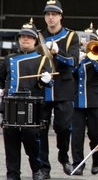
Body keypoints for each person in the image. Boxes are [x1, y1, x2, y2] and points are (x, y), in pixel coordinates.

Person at [0, 18, 54, 180]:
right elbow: (1, 79)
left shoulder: (42, 59)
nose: (25, 39)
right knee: (11, 145)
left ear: (34, 40)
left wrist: (46, 79)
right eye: (22, 36)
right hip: (10, 107)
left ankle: (37, 169)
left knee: (32, 143)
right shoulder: (9, 59)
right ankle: (13, 174)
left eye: (29, 37)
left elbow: (50, 82)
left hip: (31, 108)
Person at [38, 0, 80, 178]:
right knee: (40, 129)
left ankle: (64, 157)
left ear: (61, 16)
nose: (51, 18)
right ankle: (44, 167)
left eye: (54, 14)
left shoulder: (71, 36)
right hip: (42, 88)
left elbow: (74, 61)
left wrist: (58, 52)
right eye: (48, 14)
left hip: (63, 88)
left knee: (63, 127)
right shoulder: (38, 35)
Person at [71, 23, 98, 175]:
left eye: (92, 40)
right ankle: (78, 163)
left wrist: (93, 58)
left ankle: (96, 161)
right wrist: (78, 61)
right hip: (77, 101)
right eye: (86, 40)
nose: (88, 43)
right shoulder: (78, 57)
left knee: (96, 134)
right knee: (77, 135)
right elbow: (69, 74)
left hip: (96, 101)